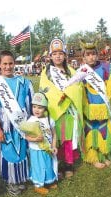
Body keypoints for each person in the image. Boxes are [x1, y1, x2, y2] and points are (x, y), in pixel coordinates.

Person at [0, 50, 34, 196]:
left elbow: (31, 105)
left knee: (22, 151)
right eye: (5, 64)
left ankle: (21, 178)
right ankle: (11, 182)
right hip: (5, 127)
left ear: (15, 63)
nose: (8, 67)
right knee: (9, 153)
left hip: (22, 125)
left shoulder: (25, 82)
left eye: (10, 63)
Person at [39, 38, 84, 179]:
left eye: (60, 53)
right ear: (50, 56)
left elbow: (78, 87)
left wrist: (69, 94)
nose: (58, 56)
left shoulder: (70, 71)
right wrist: (59, 96)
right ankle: (57, 164)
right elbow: (44, 89)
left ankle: (69, 164)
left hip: (69, 111)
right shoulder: (46, 72)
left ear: (65, 55)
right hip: (55, 110)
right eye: (55, 53)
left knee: (68, 138)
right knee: (56, 138)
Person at [78, 40, 111, 169]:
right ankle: (93, 157)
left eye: (93, 54)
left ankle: (103, 155)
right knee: (91, 131)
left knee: (103, 130)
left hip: (103, 107)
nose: (91, 57)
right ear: (84, 57)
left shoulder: (106, 68)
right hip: (89, 108)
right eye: (88, 54)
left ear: (97, 55)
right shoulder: (81, 71)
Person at [22, 92, 58, 195]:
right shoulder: (30, 120)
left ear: (45, 108)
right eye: (34, 107)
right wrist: (35, 139)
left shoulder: (50, 120)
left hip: (47, 149)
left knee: (48, 165)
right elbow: (26, 136)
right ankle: (38, 185)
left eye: (40, 107)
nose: (36, 110)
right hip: (35, 150)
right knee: (38, 166)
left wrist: (54, 146)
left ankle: (49, 181)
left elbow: (54, 135)